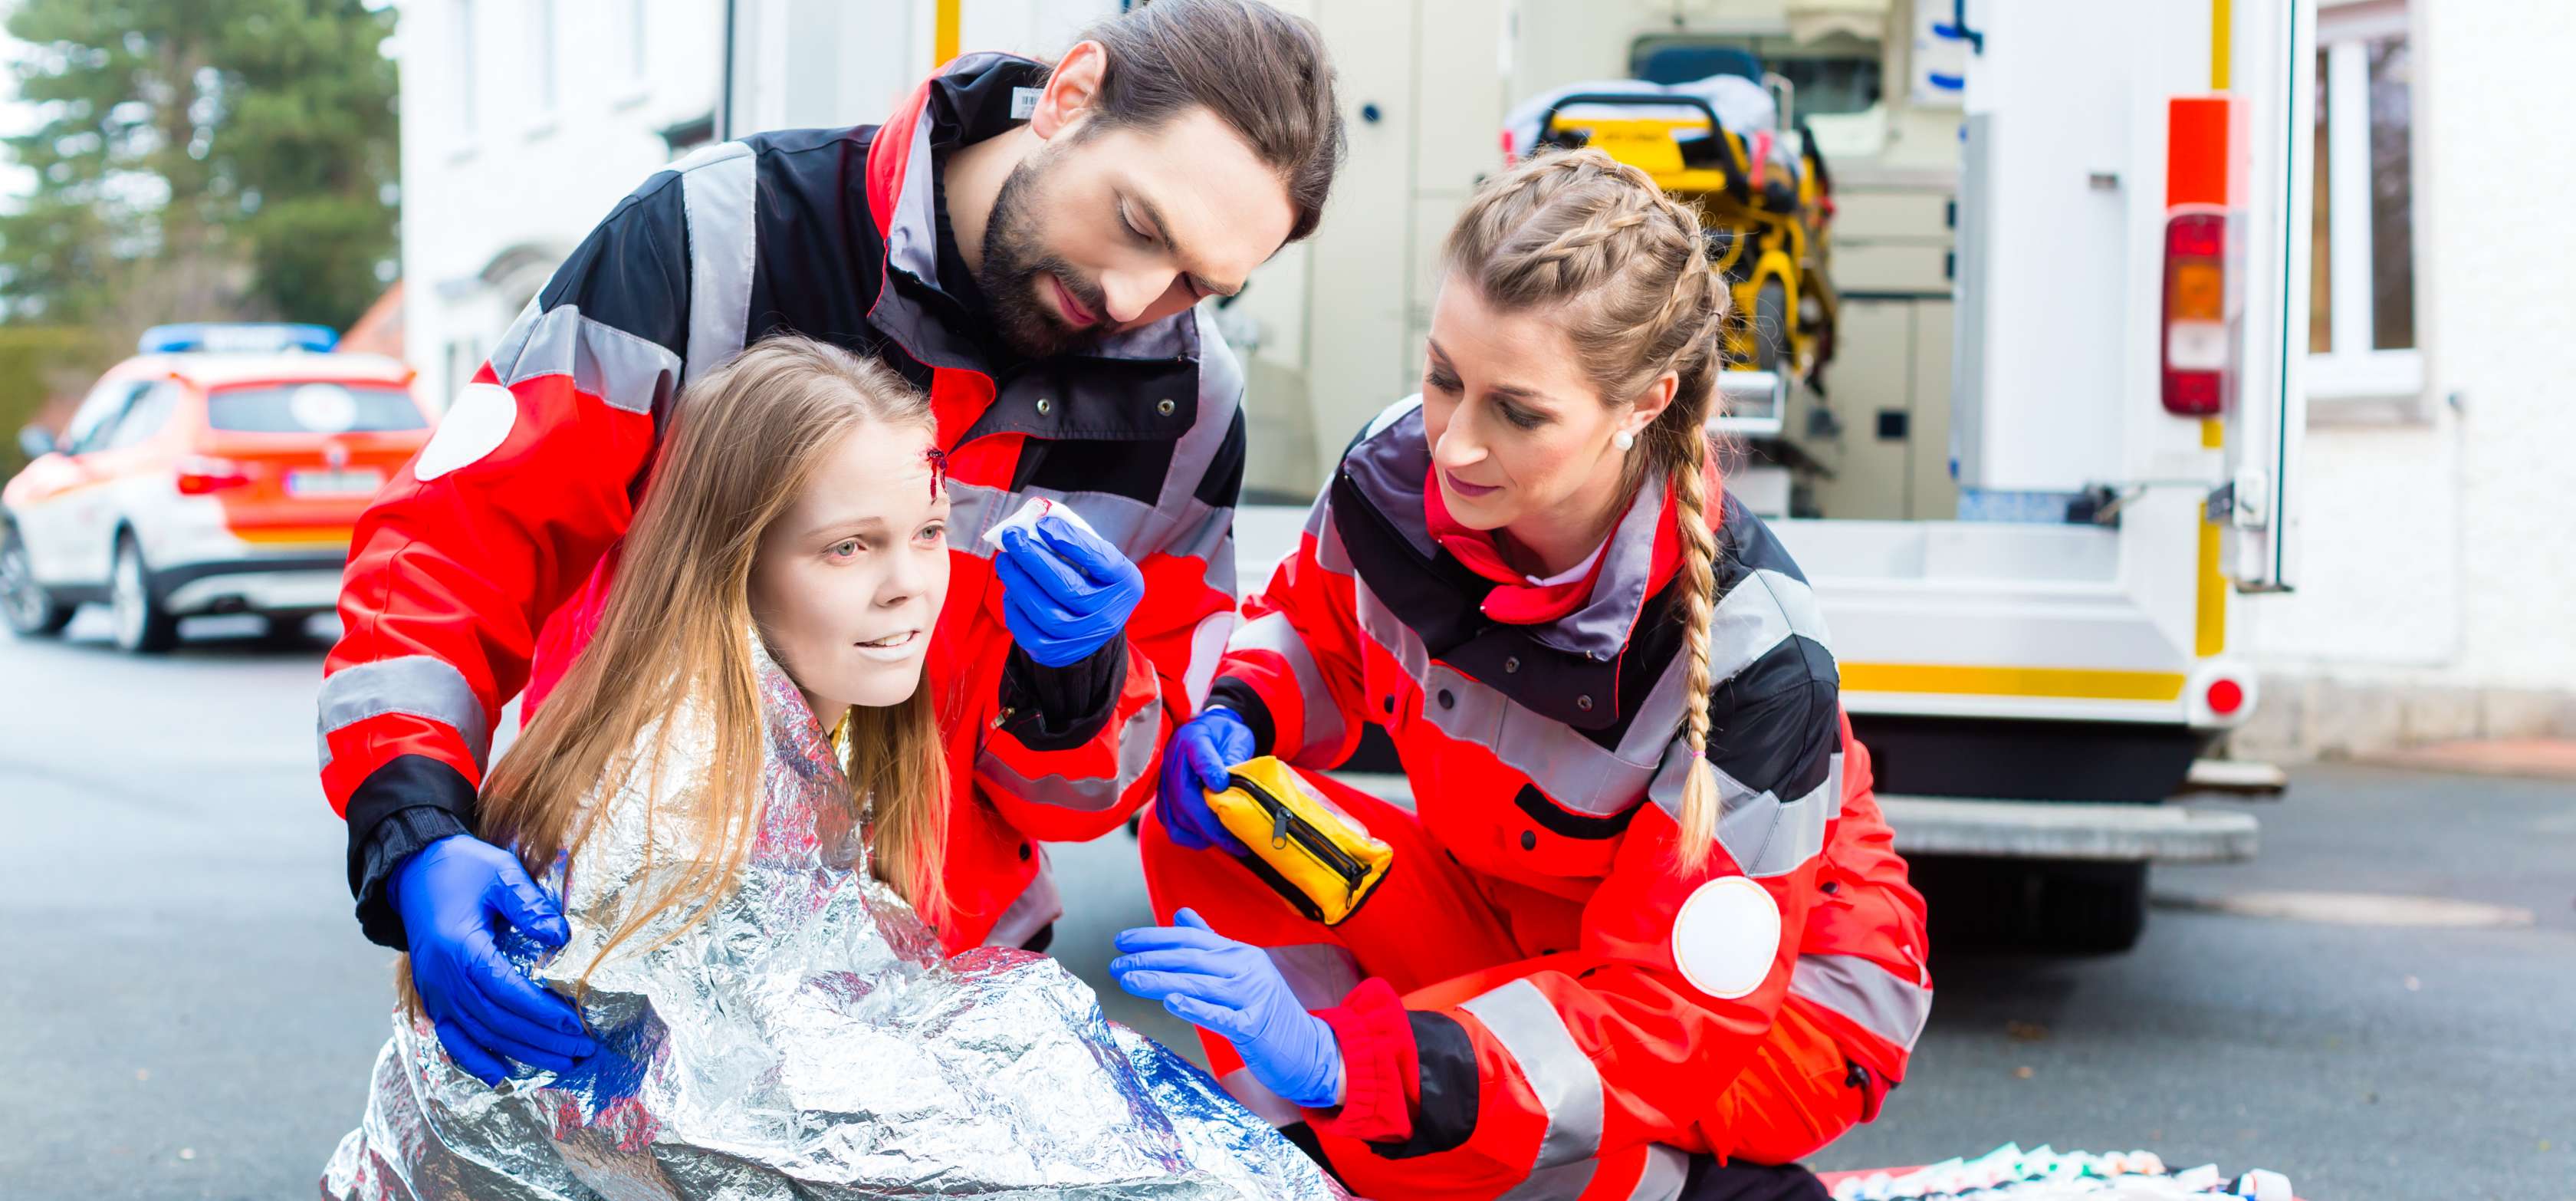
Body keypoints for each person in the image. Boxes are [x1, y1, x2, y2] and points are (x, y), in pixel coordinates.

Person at [314, 0, 1344, 1081]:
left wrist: (1078, 682)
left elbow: (1097, 792)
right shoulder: (720, 238)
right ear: (1072, 93)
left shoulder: (1188, 398)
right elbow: (456, 542)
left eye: (1196, 282)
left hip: (942, 995)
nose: (1135, 298)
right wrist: (417, 826)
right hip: (629, 943)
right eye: (1139, 223)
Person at [322, 335, 1341, 1200]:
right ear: (735, 558)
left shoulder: (823, 717)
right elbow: (738, 1115)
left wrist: (1081, 675)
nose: (911, 587)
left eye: (932, 534)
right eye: (850, 548)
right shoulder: (676, 794)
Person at [1111, 149, 1933, 1201]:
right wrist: (1241, 709)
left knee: (1422, 1109)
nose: (1454, 444)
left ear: (1645, 402)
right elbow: (1314, 636)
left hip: (1769, 1010)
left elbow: (1664, 1015)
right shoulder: (1388, 476)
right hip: (1520, 917)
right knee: (1216, 818)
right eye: (1444, 375)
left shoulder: (1755, 656)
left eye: (1519, 411)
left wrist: (1357, 1063)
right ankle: (1312, 1156)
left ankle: (1705, 1189)